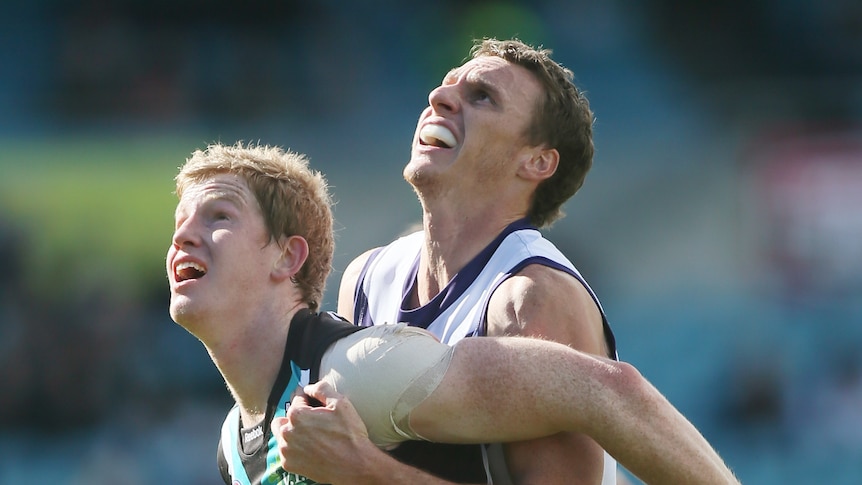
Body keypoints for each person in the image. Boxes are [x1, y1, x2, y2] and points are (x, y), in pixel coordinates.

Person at [167, 141, 738, 485]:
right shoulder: (232, 448)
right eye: (180, 224)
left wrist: (368, 472)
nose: (185, 236)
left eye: (219, 215)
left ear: (288, 256)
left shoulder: (364, 371)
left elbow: (610, 391)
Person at [281, 37, 621, 484]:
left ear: (537, 161)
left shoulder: (533, 299)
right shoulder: (366, 276)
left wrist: (362, 469)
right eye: (445, 87)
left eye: (482, 96)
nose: (438, 98)